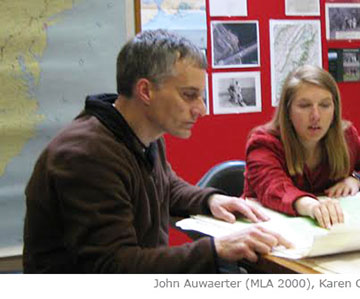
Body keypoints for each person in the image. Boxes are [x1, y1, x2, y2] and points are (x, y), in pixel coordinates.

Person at [23, 30, 290, 273]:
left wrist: (210, 200)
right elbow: (114, 266)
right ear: (145, 91)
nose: (201, 109)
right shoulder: (86, 155)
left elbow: (165, 185)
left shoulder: (141, 133)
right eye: (189, 95)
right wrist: (215, 249)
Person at [243, 65, 360, 228]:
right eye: (304, 106)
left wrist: (357, 180)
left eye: (325, 105)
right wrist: (312, 206)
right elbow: (274, 188)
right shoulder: (263, 143)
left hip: (329, 232)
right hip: (266, 234)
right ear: (287, 111)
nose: (316, 116)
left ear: (335, 109)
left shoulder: (346, 138)